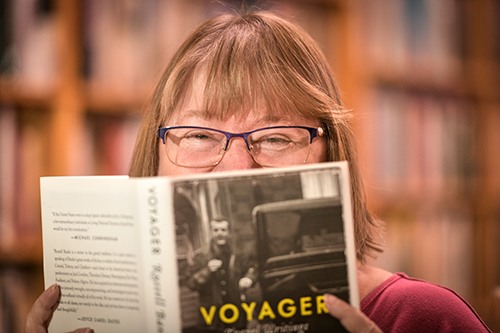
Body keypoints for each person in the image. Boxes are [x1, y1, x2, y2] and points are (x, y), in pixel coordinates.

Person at [25, 9, 491, 333]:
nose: (235, 167)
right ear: (158, 154)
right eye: (200, 135)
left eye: (275, 138)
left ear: (330, 155)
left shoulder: (420, 316)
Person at [186, 218, 256, 331]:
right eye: (216, 230)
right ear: (210, 233)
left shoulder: (238, 255)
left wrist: (249, 278)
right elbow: (191, 283)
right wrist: (207, 271)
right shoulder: (200, 258)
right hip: (212, 316)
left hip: (236, 313)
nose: (220, 233)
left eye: (223, 230)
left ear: (229, 233)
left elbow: (252, 269)